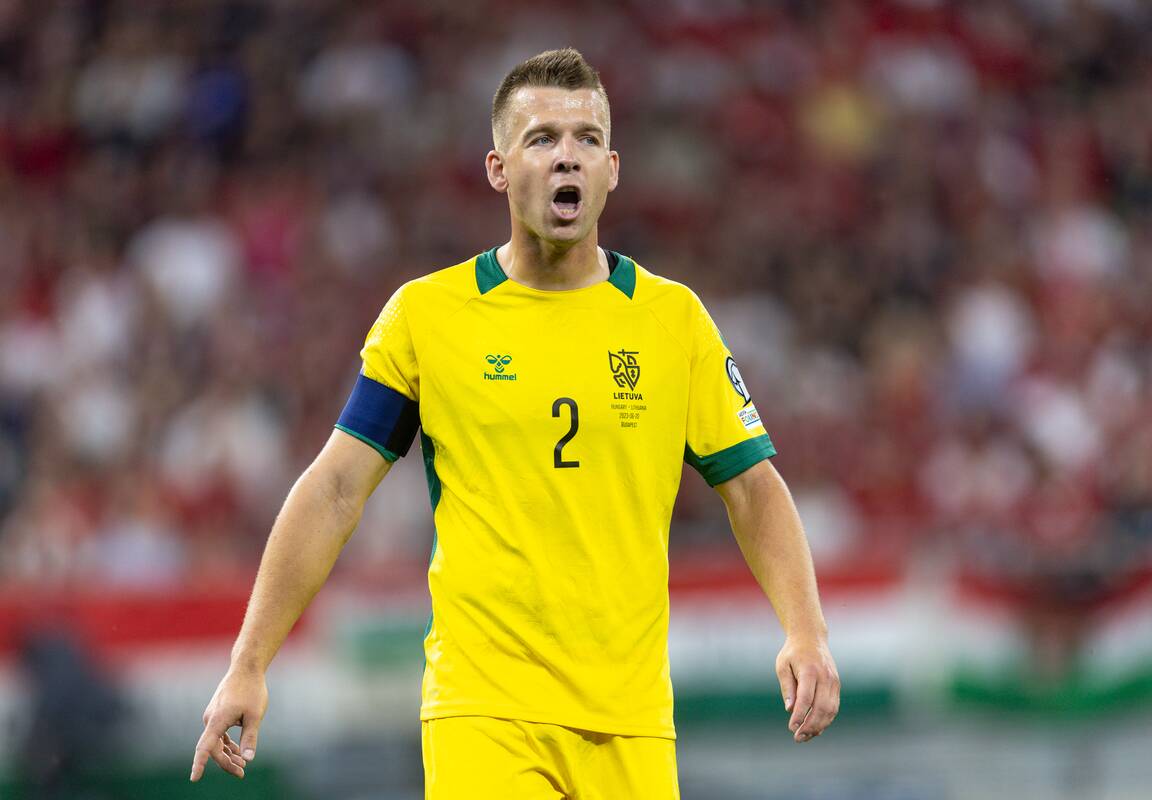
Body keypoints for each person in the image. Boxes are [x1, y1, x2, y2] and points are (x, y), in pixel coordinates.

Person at [190, 47, 839, 798]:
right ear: (498, 169)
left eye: (586, 139)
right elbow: (335, 488)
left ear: (611, 170)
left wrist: (806, 629)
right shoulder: (428, 317)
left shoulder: (674, 321)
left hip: (631, 719)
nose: (568, 156)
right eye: (542, 139)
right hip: (484, 709)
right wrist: (249, 662)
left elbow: (753, 488)